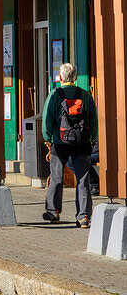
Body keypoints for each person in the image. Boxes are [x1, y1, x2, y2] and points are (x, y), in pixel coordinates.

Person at [41, 63, 96, 227]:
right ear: (76, 78)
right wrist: (92, 138)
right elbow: (93, 119)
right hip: (82, 143)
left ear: (60, 78)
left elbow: (47, 121)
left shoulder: (54, 95)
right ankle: (83, 216)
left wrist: (48, 139)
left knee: (56, 177)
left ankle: (53, 212)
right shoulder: (85, 95)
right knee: (83, 179)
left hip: (60, 142)